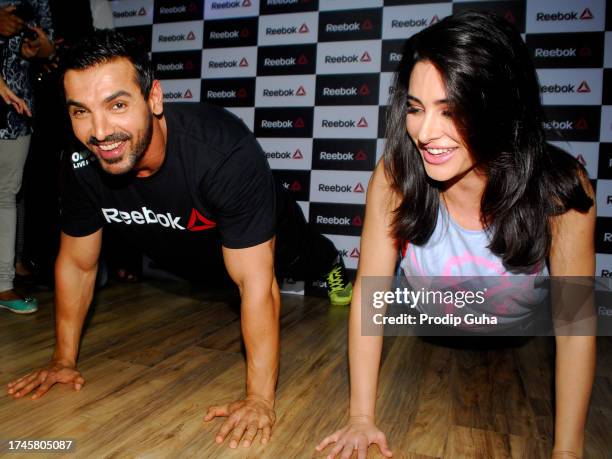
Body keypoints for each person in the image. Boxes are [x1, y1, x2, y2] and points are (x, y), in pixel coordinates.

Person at [5, 29, 351, 448]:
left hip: (262, 241)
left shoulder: (222, 153)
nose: (99, 131)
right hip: (187, 250)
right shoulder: (83, 162)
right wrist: (62, 360)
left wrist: (260, 399)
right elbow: (79, 264)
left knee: (302, 258)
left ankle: (333, 266)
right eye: (81, 112)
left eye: (117, 105)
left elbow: (256, 285)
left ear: (153, 99)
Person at [316, 11, 595, 459]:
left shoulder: (561, 188)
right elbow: (371, 300)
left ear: (501, 107)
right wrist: (361, 418)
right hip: (428, 321)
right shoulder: (393, 179)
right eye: (416, 108)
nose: (425, 133)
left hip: (519, 329)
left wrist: (568, 452)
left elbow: (576, 328)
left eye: (452, 110)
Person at [0, 1, 54, 314]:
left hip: (16, 106)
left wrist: (41, 47)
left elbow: (48, 48)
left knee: (6, 194)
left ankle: (3, 285)